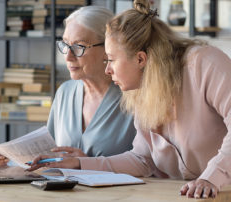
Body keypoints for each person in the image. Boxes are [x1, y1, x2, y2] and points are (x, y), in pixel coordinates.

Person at [28, 0, 231, 199]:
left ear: (140, 59)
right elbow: (142, 160)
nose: (107, 69)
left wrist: (211, 178)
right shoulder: (141, 89)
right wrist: (80, 164)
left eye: (111, 60)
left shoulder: (204, 63)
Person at [0, 6, 136, 166]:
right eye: (65, 44)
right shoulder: (65, 92)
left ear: (107, 48)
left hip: (118, 191)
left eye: (78, 47)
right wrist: (7, 162)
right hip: (65, 190)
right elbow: (49, 156)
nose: (67, 57)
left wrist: (87, 163)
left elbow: (148, 165)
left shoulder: (134, 96)